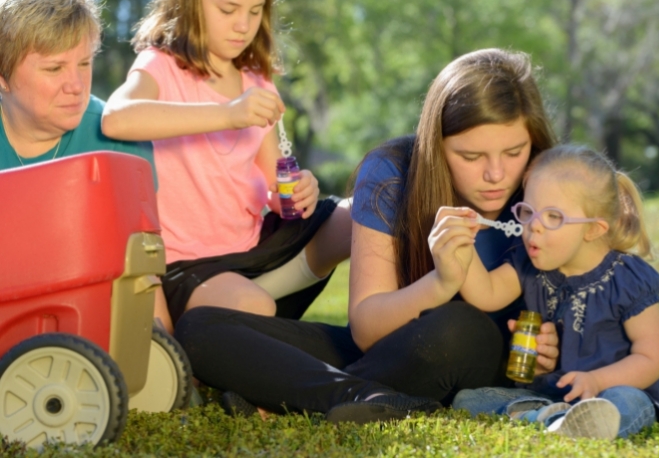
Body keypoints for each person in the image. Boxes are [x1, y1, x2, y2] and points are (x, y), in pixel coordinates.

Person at [173, 48, 561, 423]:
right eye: (471, 157)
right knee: (201, 327)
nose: (495, 175)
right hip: (384, 350)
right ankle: (364, 399)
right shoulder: (393, 174)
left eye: (514, 152)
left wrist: (552, 349)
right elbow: (366, 329)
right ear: (435, 149)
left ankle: (291, 393)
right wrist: (441, 283)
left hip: (466, 351)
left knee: (458, 327)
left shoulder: (551, 195)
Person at [101, 0, 351, 332]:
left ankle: (246, 316)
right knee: (253, 306)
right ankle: (232, 320)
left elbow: (274, 186)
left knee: (360, 218)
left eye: (255, 10)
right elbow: (116, 118)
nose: (243, 25)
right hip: (188, 265)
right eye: (228, 9)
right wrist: (228, 113)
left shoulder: (257, 80)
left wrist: (297, 191)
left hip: (253, 249)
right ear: (188, 1)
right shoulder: (161, 65)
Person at [445, 145, 659, 439]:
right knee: (469, 399)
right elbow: (487, 293)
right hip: (556, 394)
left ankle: (562, 420)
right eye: (528, 212)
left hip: (621, 389)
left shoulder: (626, 277)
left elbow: (652, 357)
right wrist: (461, 246)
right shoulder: (530, 263)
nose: (534, 228)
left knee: (625, 401)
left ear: (593, 229)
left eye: (553, 217)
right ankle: (555, 419)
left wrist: (596, 381)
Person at [0, 0, 153, 174]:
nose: (77, 86)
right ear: (2, 77)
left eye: (84, 63)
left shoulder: (122, 142)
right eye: (54, 68)